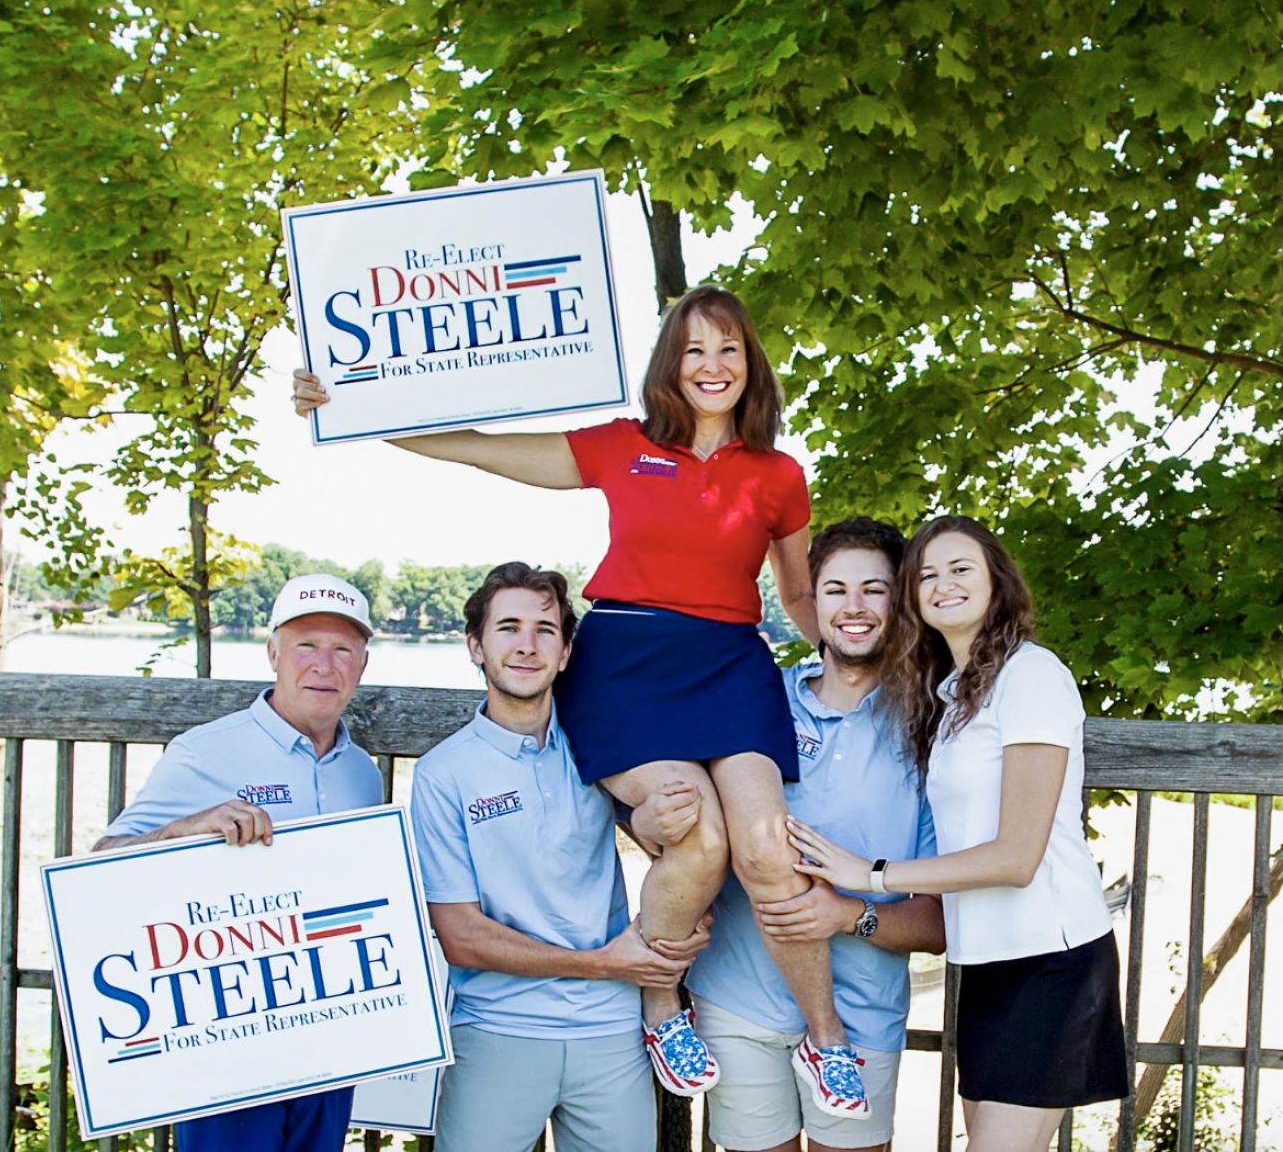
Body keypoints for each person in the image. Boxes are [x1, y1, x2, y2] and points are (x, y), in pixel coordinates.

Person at [295, 285, 867, 1114]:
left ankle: (827, 1038)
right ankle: (661, 1006)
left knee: (766, 847)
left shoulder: (778, 476)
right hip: (627, 662)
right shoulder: (622, 447)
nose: (711, 366)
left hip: (730, 666)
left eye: (729, 350)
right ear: (670, 364)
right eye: (694, 350)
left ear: (751, 367)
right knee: (697, 837)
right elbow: (482, 449)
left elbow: (800, 592)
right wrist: (353, 406)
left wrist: (865, 665)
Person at [787, 515, 1128, 1152]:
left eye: (961, 568)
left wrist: (873, 876)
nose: (944, 584)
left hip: (1051, 960)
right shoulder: (953, 695)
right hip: (984, 960)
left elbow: (1016, 856)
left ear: (997, 580)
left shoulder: (1033, 674)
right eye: (927, 575)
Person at [409, 562, 709, 1152]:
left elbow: (663, 841)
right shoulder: (443, 773)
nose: (527, 645)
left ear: (567, 652)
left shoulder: (599, 745)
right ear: (476, 646)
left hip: (611, 1032)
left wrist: (683, 919)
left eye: (545, 630)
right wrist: (607, 963)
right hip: (498, 1030)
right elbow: (460, 937)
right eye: (508, 628)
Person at [94, 573, 382, 1152]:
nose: (323, 664)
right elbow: (101, 863)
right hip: (230, 1036)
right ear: (273, 652)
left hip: (330, 1034)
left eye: (342, 649)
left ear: (362, 664)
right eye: (305, 645)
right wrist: (184, 830)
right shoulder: (206, 751)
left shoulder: (363, 774)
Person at [683, 517, 945, 1152]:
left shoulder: (931, 731)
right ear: (813, 601)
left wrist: (845, 914)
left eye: (873, 590)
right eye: (835, 590)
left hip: (861, 1017)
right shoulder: (759, 700)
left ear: (901, 600)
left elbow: (942, 924)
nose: (853, 607)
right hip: (738, 1001)